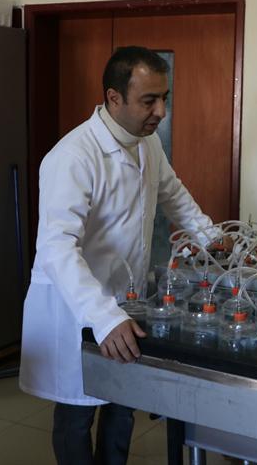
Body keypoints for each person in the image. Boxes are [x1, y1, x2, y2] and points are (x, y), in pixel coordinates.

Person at [19, 46, 222, 465]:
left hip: (126, 300)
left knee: (122, 405)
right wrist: (105, 316)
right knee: (78, 415)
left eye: (164, 98)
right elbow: (57, 247)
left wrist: (213, 238)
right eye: (149, 100)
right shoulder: (73, 157)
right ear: (114, 98)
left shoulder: (147, 144)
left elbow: (173, 194)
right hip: (79, 307)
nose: (161, 111)